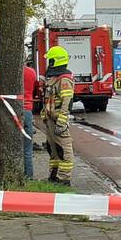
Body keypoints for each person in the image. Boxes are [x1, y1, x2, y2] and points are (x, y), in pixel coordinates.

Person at [0, 62, 39, 179]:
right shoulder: (31, 72)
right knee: (27, 149)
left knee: (9, 145)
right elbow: (36, 88)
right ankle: (28, 177)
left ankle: (11, 176)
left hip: (9, 110)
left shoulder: (4, 70)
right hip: (27, 111)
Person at [41, 46, 74, 185]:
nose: (49, 63)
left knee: (64, 150)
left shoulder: (64, 80)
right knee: (53, 149)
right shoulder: (55, 78)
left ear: (57, 61)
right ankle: (54, 175)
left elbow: (67, 102)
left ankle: (64, 178)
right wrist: (44, 114)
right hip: (50, 119)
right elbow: (48, 98)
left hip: (58, 120)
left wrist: (61, 122)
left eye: (51, 60)